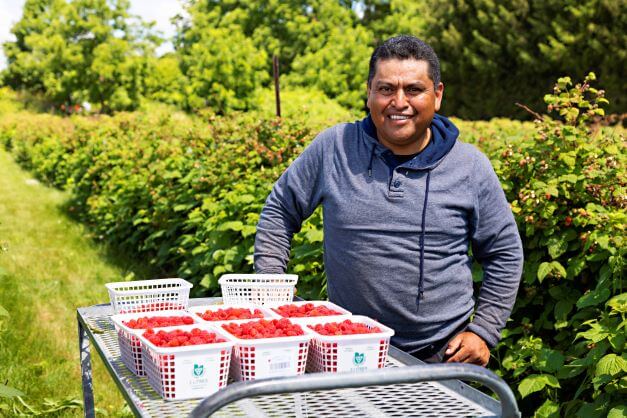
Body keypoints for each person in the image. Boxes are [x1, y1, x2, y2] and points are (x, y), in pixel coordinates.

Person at [253, 35, 523, 366]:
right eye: (385, 89)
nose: (399, 102)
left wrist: (483, 331)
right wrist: (272, 292)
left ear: (436, 95)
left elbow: (505, 252)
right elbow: (280, 209)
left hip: (443, 355)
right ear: (369, 93)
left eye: (413, 90)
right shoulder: (334, 148)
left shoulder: (469, 167)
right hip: (346, 348)